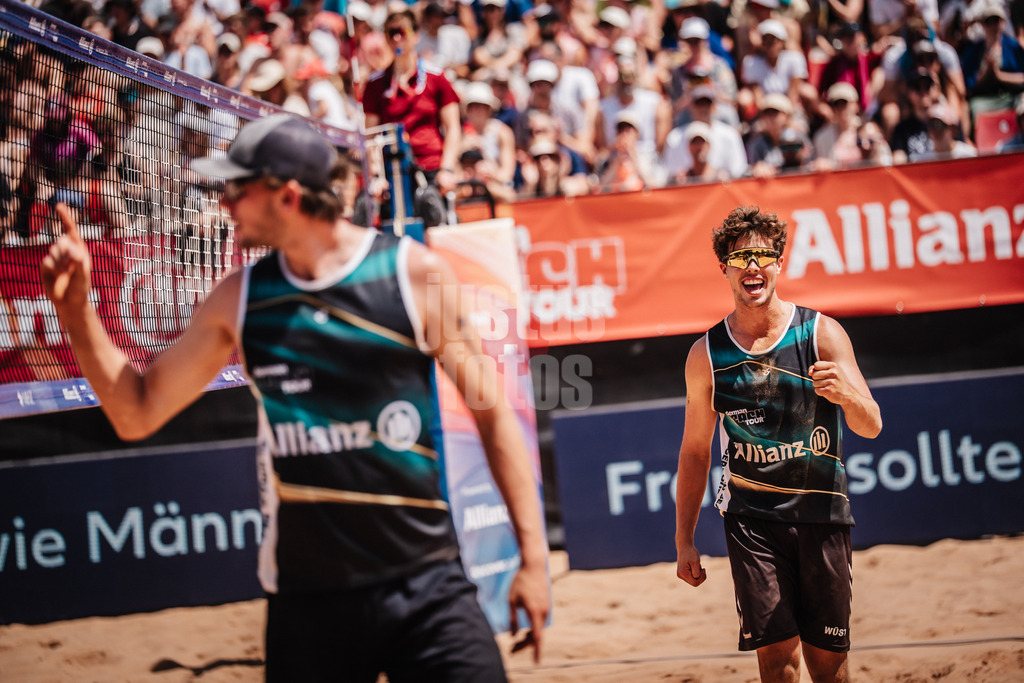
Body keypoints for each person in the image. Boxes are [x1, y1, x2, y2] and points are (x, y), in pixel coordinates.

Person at [39, 114, 550, 681]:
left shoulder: (414, 274)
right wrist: (77, 313)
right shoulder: (240, 299)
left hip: (427, 584)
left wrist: (534, 560)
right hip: (311, 602)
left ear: (286, 196)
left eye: (237, 188)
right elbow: (136, 413)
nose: (224, 202)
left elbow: (493, 416)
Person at [675, 206, 882, 683]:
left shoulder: (820, 332)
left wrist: (847, 396)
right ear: (724, 267)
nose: (752, 266)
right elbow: (694, 452)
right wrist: (684, 539)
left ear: (779, 264)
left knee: (828, 666)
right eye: (739, 257)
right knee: (778, 664)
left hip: (821, 515)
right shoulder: (707, 354)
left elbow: (871, 424)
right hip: (752, 522)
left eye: (763, 256)